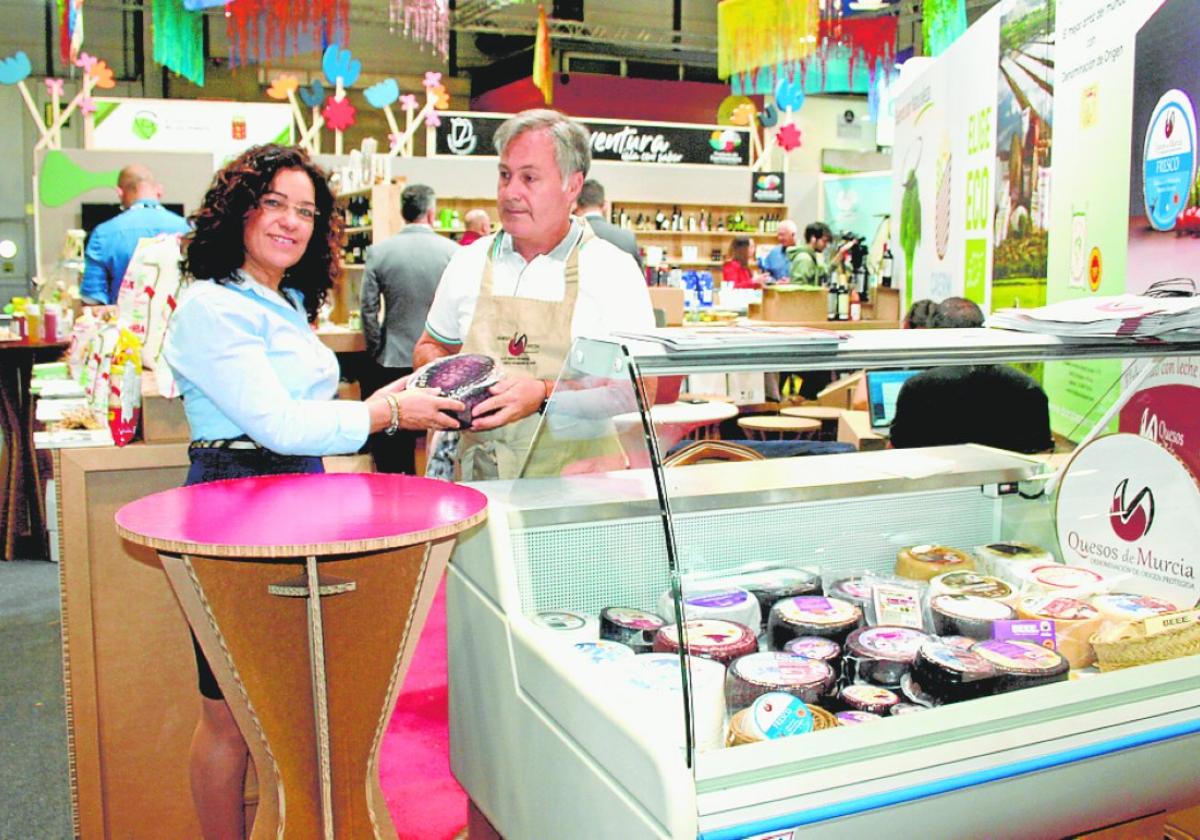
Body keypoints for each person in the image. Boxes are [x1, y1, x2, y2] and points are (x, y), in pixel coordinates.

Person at [162, 144, 463, 840]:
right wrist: (387, 415)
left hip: (294, 493)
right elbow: (276, 422)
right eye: (274, 204)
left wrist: (397, 398)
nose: (290, 223)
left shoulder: (277, 298)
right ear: (238, 210)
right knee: (230, 714)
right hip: (233, 501)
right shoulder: (212, 307)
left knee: (293, 712)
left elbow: (297, 418)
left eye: (306, 212)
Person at [412, 108, 656, 481]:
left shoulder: (612, 271)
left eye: (529, 178)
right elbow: (430, 346)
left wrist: (543, 395)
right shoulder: (468, 261)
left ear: (572, 186)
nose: (511, 192)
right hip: (480, 483)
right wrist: (451, 384)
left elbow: (638, 390)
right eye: (505, 175)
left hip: (577, 487)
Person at [360, 183, 459, 473]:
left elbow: (368, 309)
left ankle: (394, 497)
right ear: (431, 213)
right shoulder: (453, 253)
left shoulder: (379, 253)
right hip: (439, 363)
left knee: (392, 446)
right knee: (438, 442)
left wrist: (376, 347)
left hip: (392, 357)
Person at [888, 297, 1053, 453]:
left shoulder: (918, 388)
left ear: (937, 333)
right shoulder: (1028, 388)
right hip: (1008, 479)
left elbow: (896, 451)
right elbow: (1043, 454)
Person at [81, 164, 190, 304]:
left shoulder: (102, 234)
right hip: (178, 323)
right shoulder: (188, 229)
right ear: (159, 190)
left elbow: (92, 301)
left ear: (119, 193)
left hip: (124, 324)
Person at [573, 178, 643, 271]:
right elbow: (639, 280)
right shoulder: (627, 238)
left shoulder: (569, 237)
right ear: (605, 206)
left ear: (576, 205)